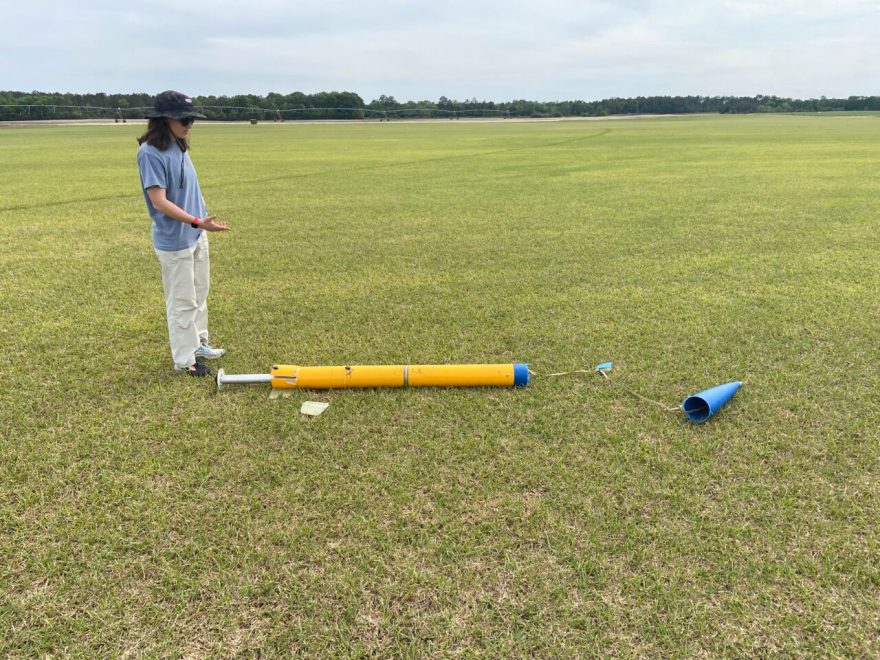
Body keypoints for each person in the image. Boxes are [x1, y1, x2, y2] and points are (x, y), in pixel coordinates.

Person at [137, 91, 231, 377]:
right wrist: (195, 221)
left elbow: (192, 188)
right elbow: (159, 201)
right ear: (164, 119)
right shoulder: (149, 153)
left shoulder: (180, 146)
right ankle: (184, 359)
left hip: (196, 233)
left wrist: (202, 220)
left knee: (199, 293)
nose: (190, 124)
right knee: (181, 301)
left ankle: (199, 343)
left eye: (192, 119)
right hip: (175, 239)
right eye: (184, 119)